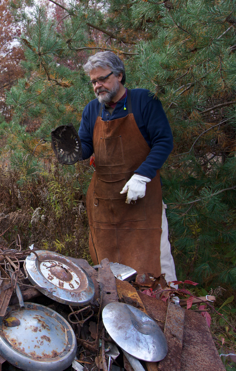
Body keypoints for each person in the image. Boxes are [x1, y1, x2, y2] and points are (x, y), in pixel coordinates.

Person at [78, 51, 177, 282]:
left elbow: (164, 141)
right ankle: (117, 311)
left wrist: (142, 176)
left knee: (156, 258)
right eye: (93, 82)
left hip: (143, 199)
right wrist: (71, 151)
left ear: (120, 75)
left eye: (102, 79)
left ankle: (169, 309)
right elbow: (85, 147)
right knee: (108, 265)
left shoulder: (144, 101)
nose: (98, 85)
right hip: (105, 203)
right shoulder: (92, 110)